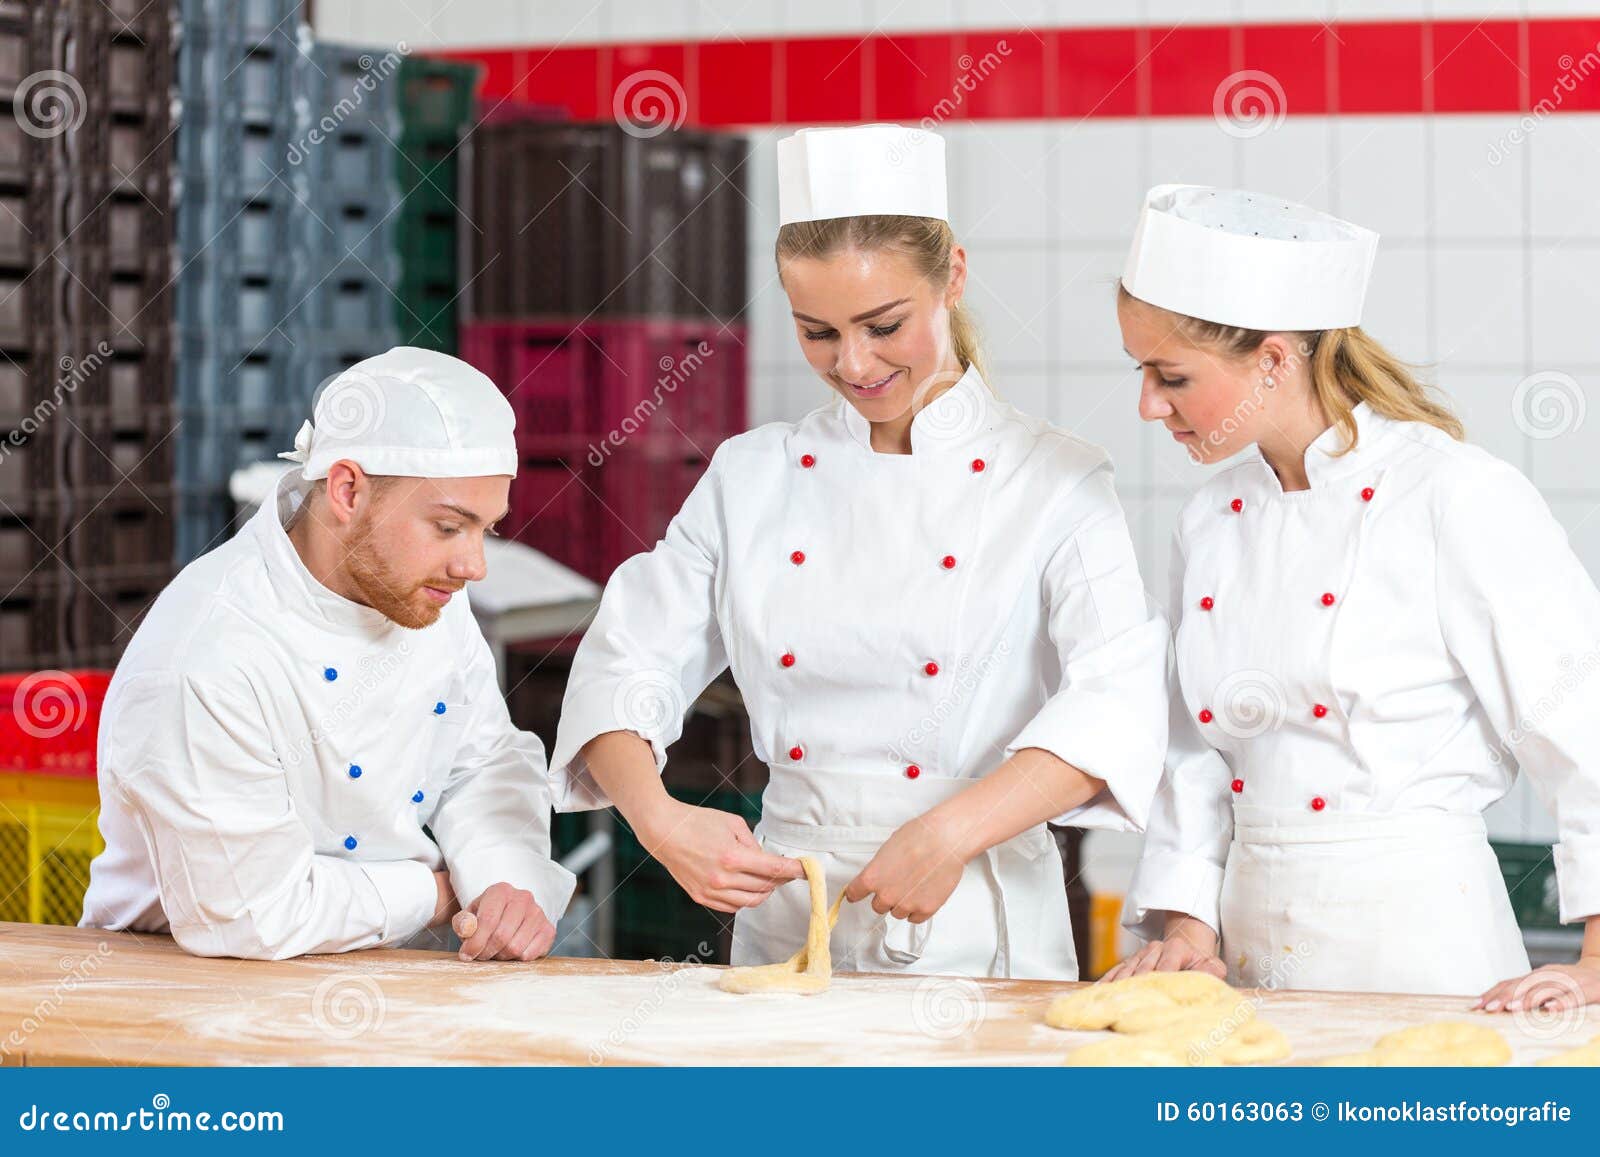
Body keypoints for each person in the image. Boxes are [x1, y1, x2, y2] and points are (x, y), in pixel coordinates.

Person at [546, 124, 1168, 980]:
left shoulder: (1055, 480)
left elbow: (1116, 704)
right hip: (786, 913)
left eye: (884, 325)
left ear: (951, 273)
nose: (854, 363)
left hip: (974, 919)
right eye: (818, 332)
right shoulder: (751, 475)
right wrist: (657, 818)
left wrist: (951, 830)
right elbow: (627, 660)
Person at [1111, 185, 1600, 1011]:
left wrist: (1596, 961)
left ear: (1273, 359)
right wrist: (1187, 919)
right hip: (1252, 953)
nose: (1148, 404)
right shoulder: (1207, 520)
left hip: (1425, 950)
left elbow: (1582, 724)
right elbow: (1194, 751)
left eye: (1172, 376)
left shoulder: (1453, 493)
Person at [81, 348, 575, 961]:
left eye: (486, 530)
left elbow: (480, 760)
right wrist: (440, 894)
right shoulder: (209, 655)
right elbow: (250, 916)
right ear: (347, 490)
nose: (472, 566)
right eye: (449, 527)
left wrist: (503, 882)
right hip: (180, 989)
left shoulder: (419, 591)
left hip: (367, 969)